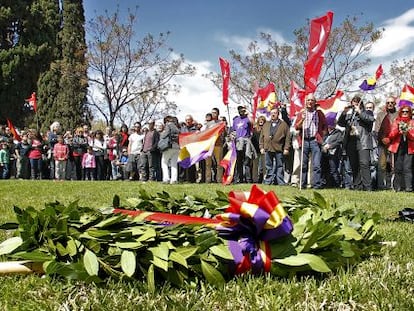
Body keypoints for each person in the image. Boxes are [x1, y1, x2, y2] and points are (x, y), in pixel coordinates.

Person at [338, 96, 375, 191]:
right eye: (353, 102)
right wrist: (344, 113)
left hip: (363, 141)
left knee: (364, 163)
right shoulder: (349, 114)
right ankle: (357, 186)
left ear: (360, 103)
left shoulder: (366, 112)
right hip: (351, 142)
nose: (354, 104)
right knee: (354, 165)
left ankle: (367, 187)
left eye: (356, 102)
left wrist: (360, 112)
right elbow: (340, 123)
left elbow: (370, 120)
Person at [294, 93, 327, 189]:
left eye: (312, 100)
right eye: (308, 100)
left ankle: (316, 185)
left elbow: (325, 125)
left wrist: (322, 135)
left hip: (315, 141)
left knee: (316, 164)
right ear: (305, 102)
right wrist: (302, 119)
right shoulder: (302, 113)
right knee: (303, 164)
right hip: (304, 140)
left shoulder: (319, 113)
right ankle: (302, 184)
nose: (310, 102)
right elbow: (297, 127)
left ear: (314, 102)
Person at [386, 105, 414, 192]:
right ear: (400, 112)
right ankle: (398, 187)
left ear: (410, 113)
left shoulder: (412, 122)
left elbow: (413, 136)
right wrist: (398, 130)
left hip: (409, 148)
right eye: (403, 111)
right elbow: (391, 135)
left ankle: (408, 187)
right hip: (398, 147)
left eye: (407, 112)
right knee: (398, 168)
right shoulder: (396, 121)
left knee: (407, 168)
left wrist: (407, 132)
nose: (405, 113)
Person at [259, 107, 291, 185]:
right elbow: (261, 137)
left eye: (275, 113)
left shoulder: (284, 125)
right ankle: (268, 181)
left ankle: (280, 181)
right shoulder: (266, 124)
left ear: (278, 114)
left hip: (279, 148)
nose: (273, 114)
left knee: (280, 166)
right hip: (267, 148)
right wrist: (261, 147)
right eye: (272, 113)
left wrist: (286, 148)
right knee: (268, 166)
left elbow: (288, 137)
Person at [374, 96, 398, 190]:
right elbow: (376, 130)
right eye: (388, 103)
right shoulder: (380, 114)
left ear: (395, 104)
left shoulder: (398, 114)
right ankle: (381, 185)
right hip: (382, 143)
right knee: (382, 165)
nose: (390, 104)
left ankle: (391, 185)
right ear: (386, 104)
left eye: (392, 102)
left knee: (392, 166)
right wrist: (382, 139)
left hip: (395, 144)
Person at [231, 105, 255, 183]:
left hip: (246, 141)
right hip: (238, 142)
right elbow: (233, 130)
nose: (241, 111)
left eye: (242, 110)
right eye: (240, 110)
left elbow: (253, 123)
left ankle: (248, 179)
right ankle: (239, 179)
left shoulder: (248, 118)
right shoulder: (235, 120)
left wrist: (248, 113)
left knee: (247, 161)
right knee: (239, 162)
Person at [321, 112, 343, 188]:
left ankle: (337, 184)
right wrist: (323, 146)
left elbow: (339, 141)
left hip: (334, 154)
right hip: (324, 153)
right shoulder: (324, 133)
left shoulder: (338, 132)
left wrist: (330, 146)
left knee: (333, 169)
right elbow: (321, 140)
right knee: (325, 168)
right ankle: (326, 183)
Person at [160, 115, 180, 184]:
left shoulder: (168, 125)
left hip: (169, 146)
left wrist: (161, 134)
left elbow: (165, 135)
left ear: (167, 121)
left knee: (164, 162)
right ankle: (174, 179)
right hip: (177, 147)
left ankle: (166, 178)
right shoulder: (176, 127)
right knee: (174, 164)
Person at [179, 115, 198, 183]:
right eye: (186, 120)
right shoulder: (182, 129)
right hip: (183, 148)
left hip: (191, 148)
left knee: (191, 164)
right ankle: (182, 179)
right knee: (182, 164)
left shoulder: (195, 129)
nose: (188, 121)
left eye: (189, 120)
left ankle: (192, 179)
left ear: (192, 120)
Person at [251, 115, 266, 183]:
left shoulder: (266, 129)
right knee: (255, 166)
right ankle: (255, 179)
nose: (261, 121)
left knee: (264, 165)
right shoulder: (254, 129)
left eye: (262, 120)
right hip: (255, 150)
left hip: (263, 149)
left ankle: (264, 179)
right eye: (260, 120)